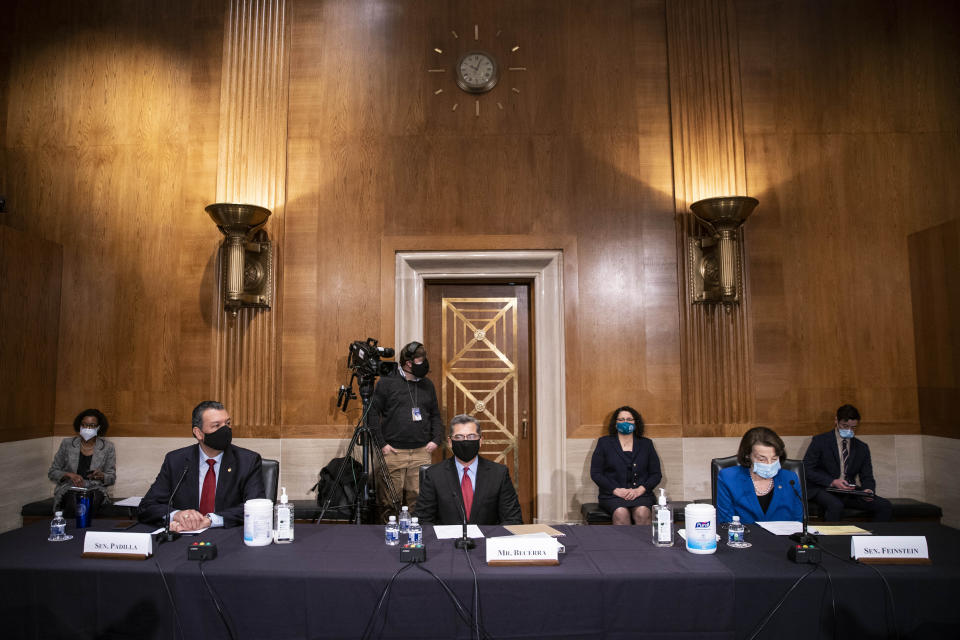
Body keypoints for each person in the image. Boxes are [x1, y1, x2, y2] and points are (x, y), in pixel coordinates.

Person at [137, 400, 265, 530]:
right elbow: (147, 506)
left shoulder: (247, 461)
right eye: (216, 426)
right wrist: (177, 515)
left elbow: (257, 506)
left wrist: (210, 520)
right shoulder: (176, 461)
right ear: (198, 433)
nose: (225, 430)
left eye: (227, 423)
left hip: (227, 537)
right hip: (183, 537)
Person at [369, 341, 444, 511]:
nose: (424, 364)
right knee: (389, 502)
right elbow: (372, 414)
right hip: (393, 452)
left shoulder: (427, 384)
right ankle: (390, 536)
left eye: (424, 360)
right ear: (408, 363)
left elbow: (435, 415)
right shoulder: (386, 383)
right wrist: (382, 444)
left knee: (418, 503)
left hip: (421, 452)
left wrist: (436, 440)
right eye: (419, 361)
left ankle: (416, 537)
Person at [415, 414, 522, 526]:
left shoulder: (499, 474)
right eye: (459, 437)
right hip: (447, 542)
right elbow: (422, 520)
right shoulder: (434, 474)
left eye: (471, 436)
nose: (465, 441)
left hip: (487, 540)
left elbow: (513, 519)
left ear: (480, 441)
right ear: (450, 442)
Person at [803, 404, 892, 522]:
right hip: (823, 488)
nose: (849, 430)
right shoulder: (820, 441)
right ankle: (833, 540)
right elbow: (806, 469)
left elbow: (867, 476)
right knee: (836, 505)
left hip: (848, 491)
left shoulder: (862, 447)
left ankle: (875, 538)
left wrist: (868, 490)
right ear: (836, 421)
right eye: (845, 426)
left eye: (853, 428)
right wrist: (832, 482)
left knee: (884, 505)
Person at [589, 406, 662, 525]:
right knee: (621, 512)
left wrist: (640, 490)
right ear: (615, 423)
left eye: (629, 419)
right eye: (621, 420)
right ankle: (624, 544)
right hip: (612, 495)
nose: (625, 422)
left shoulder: (646, 444)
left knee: (642, 512)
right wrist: (615, 490)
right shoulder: (604, 443)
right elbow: (596, 474)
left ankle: (645, 543)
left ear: (635, 423)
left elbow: (656, 474)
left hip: (641, 494)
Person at [717, 426, 803, 524]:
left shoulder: (790, 479)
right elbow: (725, 523)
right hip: (744, 538)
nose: (769, 464)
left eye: (774, 459)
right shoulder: (729, 478)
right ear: (747, 455)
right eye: (762, 459)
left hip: (784, 538)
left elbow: (798, 522)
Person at [48, 409, 116, 515]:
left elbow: (111, 477)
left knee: (90, 501)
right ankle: (72, 530)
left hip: (94, 488)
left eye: (92, 425)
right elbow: (52, 472)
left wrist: (101, 476)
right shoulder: (67, 444)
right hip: (70, 487)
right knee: (74, 501)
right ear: (79, 426)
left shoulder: (107, 447)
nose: (87, 428)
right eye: (84, 425)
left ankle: (88, 530)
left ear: (99, 427)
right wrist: (69, 475)